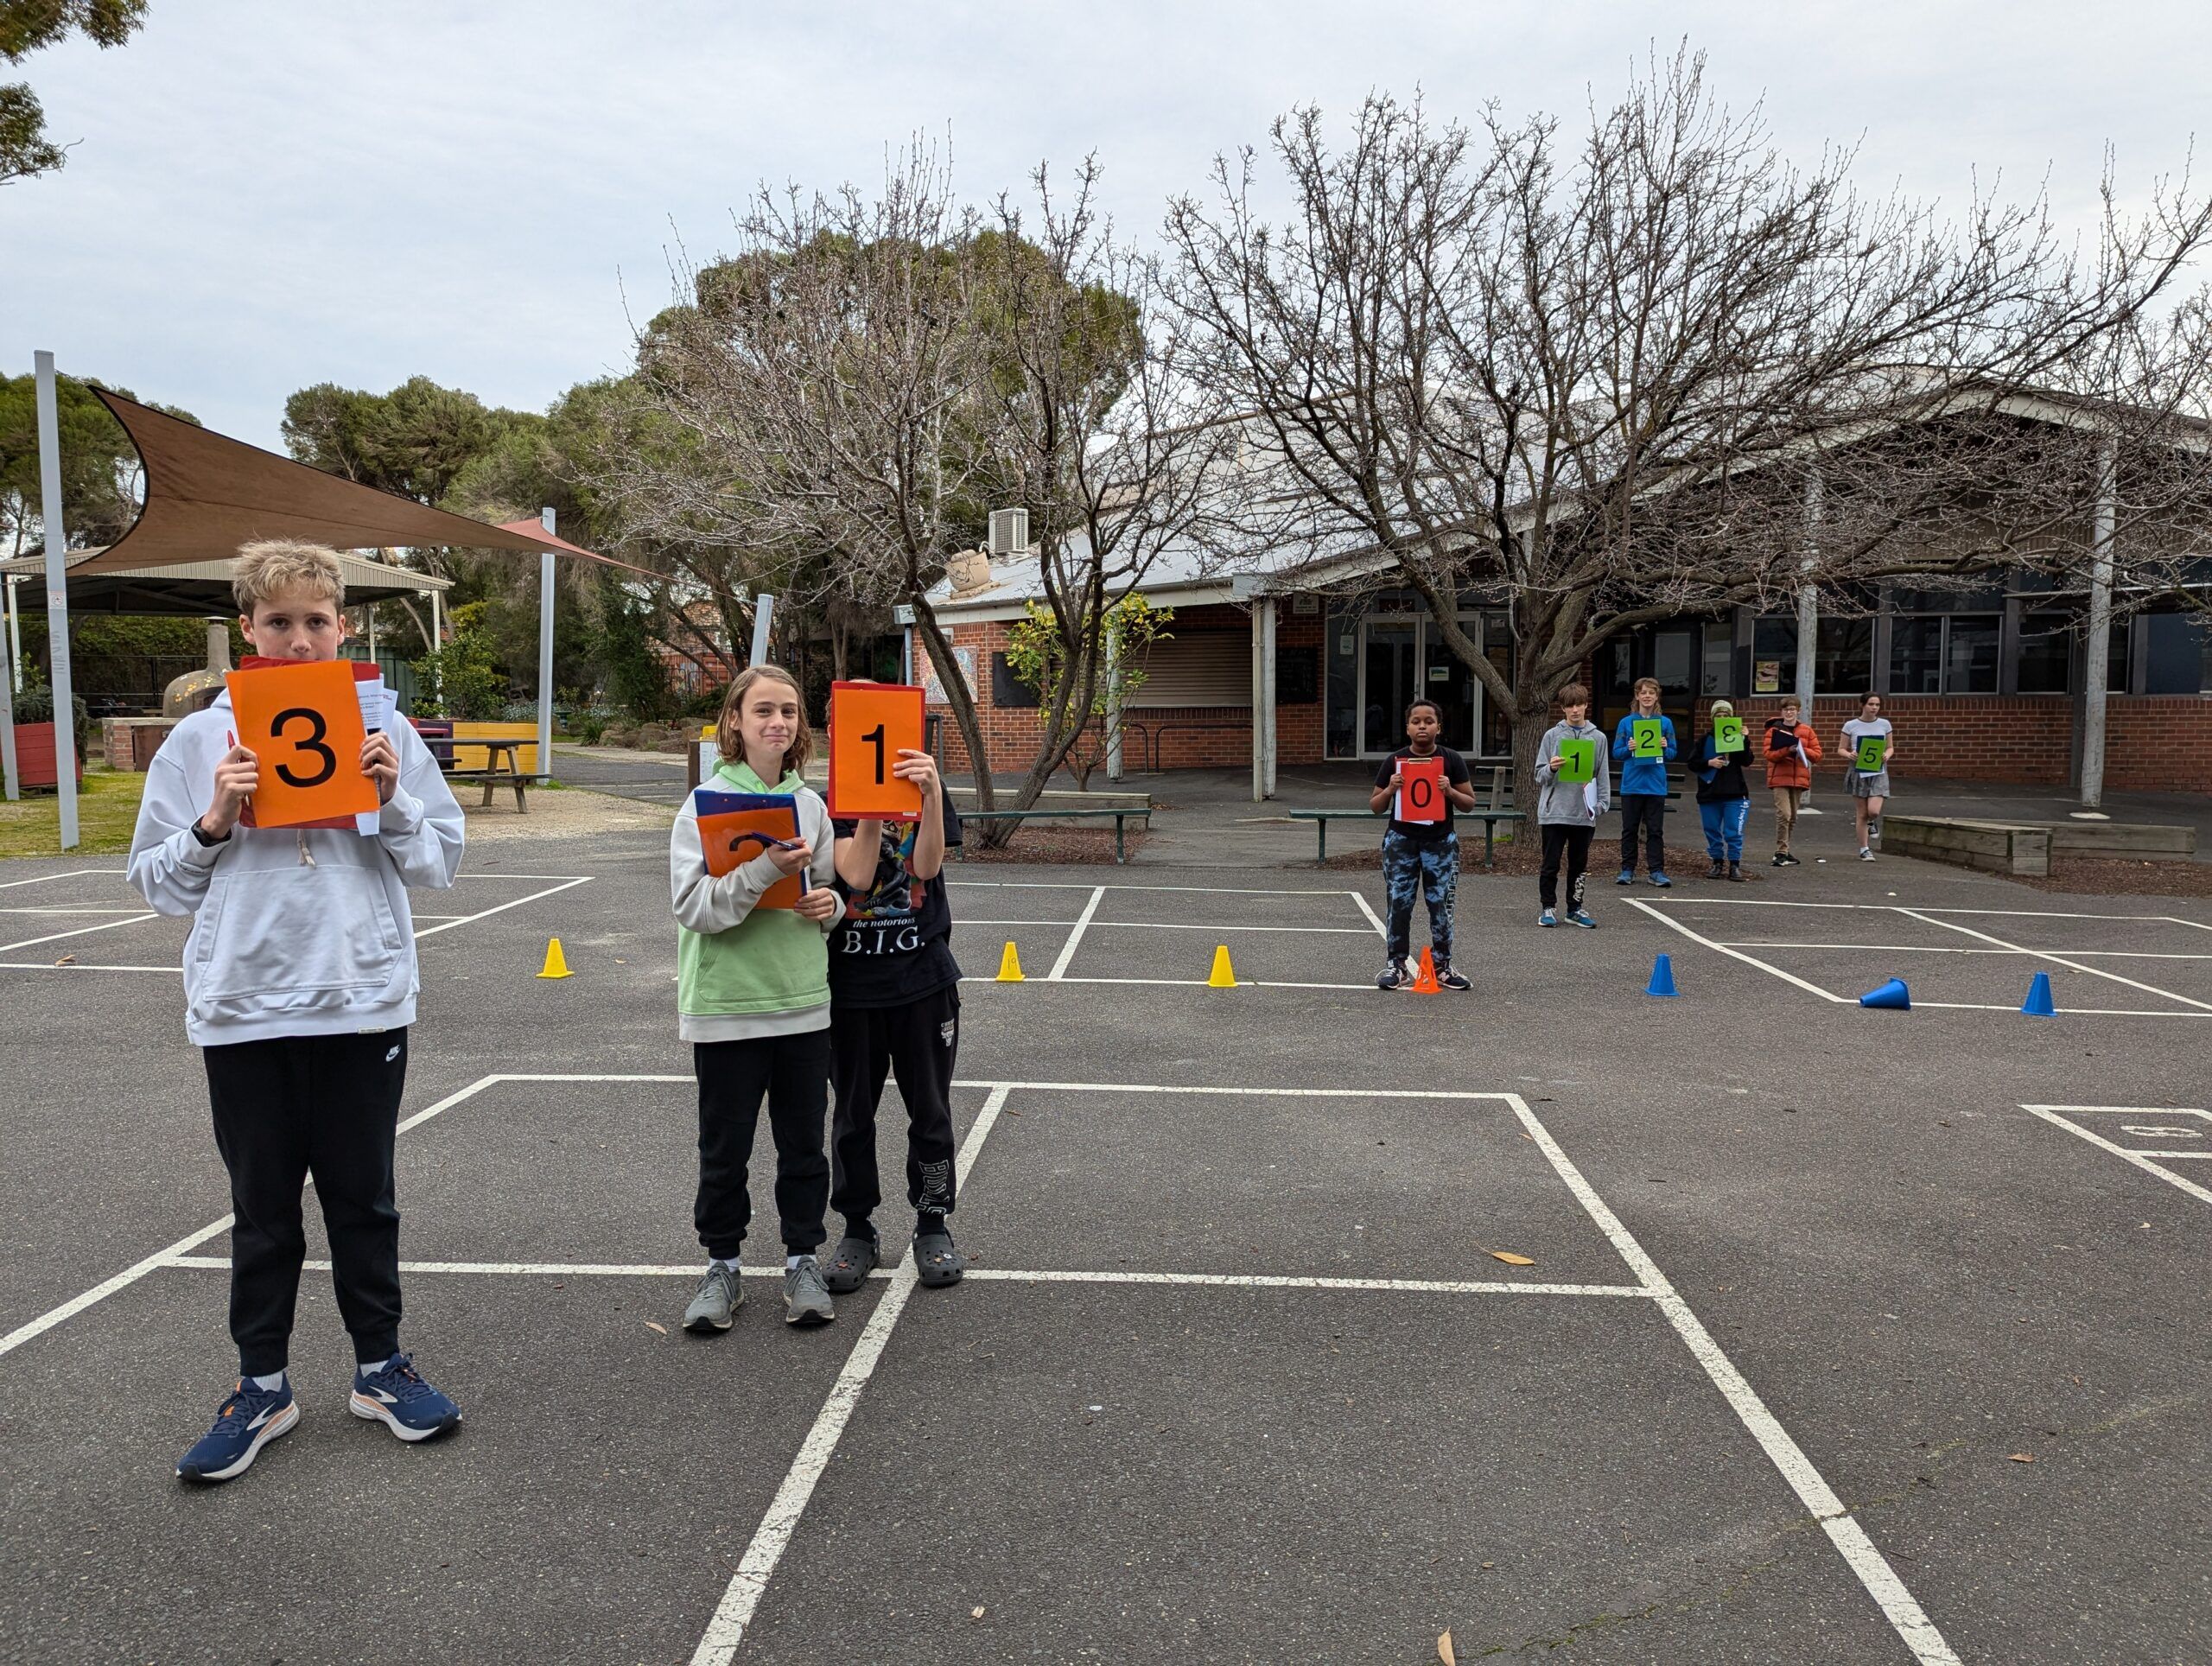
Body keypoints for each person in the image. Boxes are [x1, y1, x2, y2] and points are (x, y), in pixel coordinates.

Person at [127, 540, 466, 1484]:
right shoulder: (201, 739)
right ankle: (261, 1385)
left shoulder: (385, 729)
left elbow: (441, 859)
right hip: (244, 1008)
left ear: (343, 626)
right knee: (263, 1211)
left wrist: (393, 800)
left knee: (366, 1199)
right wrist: (211, 826)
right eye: (279, 621)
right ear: (248, 632)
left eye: (317, 619)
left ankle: (379, 1366)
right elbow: (153, 882)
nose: (300, 636)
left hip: (361, 999)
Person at [672, 664, 846, 1336]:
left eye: (790, 712)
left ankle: (803, 1260)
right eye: (764, 711)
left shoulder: (811, 806)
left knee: (804, 1147)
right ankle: (722, 1267)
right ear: (736, 723)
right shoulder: (703, 805)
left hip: (802, 1002)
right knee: (725, 1151)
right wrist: (762, 870)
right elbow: (695, 910)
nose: (779, 722)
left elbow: (827, 894)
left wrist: (828, 905)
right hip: (725, 1007)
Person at [820, 716, 968, 1294]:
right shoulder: (827, 800)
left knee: (929, 1112)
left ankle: (933, 1222)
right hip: (853, 990)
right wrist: (872, 799)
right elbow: (854, 873)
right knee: (853, 1117)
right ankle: (857, 1229)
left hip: (923, 983)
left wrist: (928, 797)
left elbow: (926, 867)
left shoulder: (927, 784)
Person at [1369, 697, 1478, 989]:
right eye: (1416, 721)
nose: (1422, 726)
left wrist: (1449, 791)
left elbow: (1469, 803)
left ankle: (1443, 965)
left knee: (1441, 904)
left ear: (1438, 727)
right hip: (1401, 842)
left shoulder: (1451, 760)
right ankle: (1396, 965)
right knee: (1399, 904)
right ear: (1407, 728)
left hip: (1440, 842)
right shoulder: (1395, 761)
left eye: (1428, 721)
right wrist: (1391, 788)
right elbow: (1375, 806)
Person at [1534, 684, 1610, 928]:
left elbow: (1602, 773)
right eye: (1569, 705)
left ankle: (1575, 908)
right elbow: (1539, 775)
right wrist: (1552, 767)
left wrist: (1600, 805)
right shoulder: (1552, 736)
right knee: (1551, 863)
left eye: (1579, 704)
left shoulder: (1598, 738)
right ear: (1563, 708)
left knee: (1579, 865)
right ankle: (1547, 907)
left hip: (1583, 812)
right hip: (1555, 811)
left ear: (1586, 705)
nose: (1575, 710)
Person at [1610, 677, 1675, 887]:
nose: (1647, 696)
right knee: (1629, 829)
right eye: (1643, 692)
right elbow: (1617, 753)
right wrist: (1629, 748)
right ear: (1637, 695)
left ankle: (1656, 871)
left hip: (1655, 785)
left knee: (1655, 831)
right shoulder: (1626, 722)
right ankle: (1627, 869)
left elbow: (1673, 754)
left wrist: (1665, 747)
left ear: (1657, 696)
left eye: (1651, 693)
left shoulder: (1665, 723)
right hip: (1632, 784)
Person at [1693, 699, 1752, 881]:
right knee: (1711, 829)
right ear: (1713, 718)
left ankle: (1735, 864)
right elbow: (1692, 763)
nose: (1722, 718)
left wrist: (1744, 740)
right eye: (1718, 715)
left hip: (1734, 792)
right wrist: (1708, 763)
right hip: (1710, 792)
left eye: (1725, 715)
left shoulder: (1736, 738)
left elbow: (1747, 760)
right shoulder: (1705, 740)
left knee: (1733, 831)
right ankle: (1717, 862)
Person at [1763, 698, 1822, 866]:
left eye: (1792, 709)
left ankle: (1785, 850)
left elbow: (1817, 755)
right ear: (1782, 712)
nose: (1789, 713)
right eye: (1786, 710)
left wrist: (1803, 749)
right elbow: (1769, 754)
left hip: (1798, 778)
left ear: (1798, 711)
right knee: (1784, 814)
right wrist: (1786, 750)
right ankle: (1781, 851)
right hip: (1780, 777)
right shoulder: (1774, 730)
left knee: (1793, 817)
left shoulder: (1807, 731)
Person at [1840, 693, 1895, 862]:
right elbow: (1841, 748)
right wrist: (1850, 755)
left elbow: (1891, 747)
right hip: (1859, 770)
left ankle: (1873, 821)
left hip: (1878, 771)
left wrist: (1887, 755)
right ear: (1862, 705)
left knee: (1873, 811)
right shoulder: (1851, 725)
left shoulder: (1884, 724)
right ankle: (1864, 849)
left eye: (1877, 705)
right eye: (1871, 704)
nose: (1874, 708)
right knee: (1862, 813)